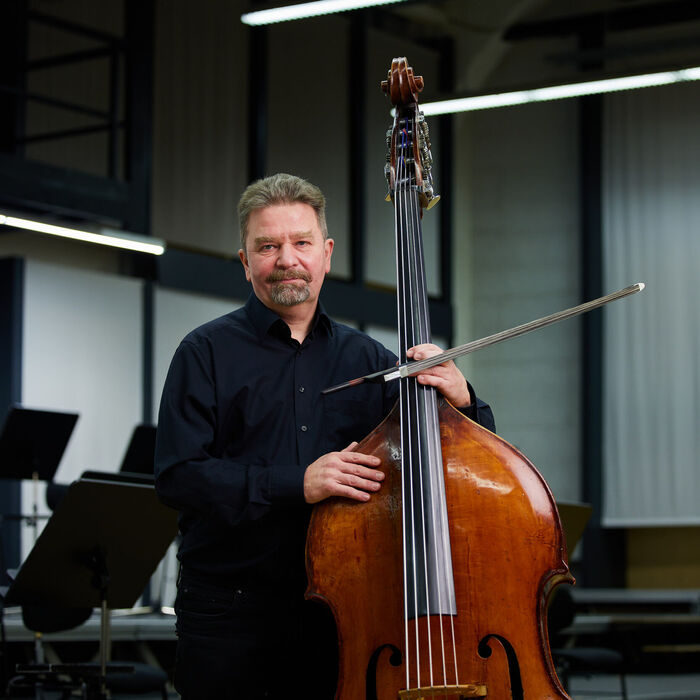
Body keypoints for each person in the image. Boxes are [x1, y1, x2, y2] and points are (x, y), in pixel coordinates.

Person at [154, 173, 495, 699]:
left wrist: (461, 397)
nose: (286, 259)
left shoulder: (373, 361)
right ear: (245, 261)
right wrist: (298, 483)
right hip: (230, 615)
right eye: (267, 246)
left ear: (326, 253)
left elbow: (463, 461)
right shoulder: (203, 354)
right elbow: (178, 477)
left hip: (345, 614)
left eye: (301, 242)